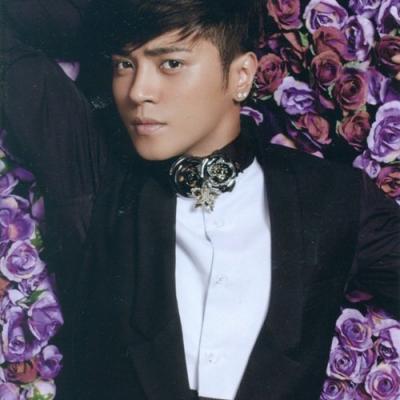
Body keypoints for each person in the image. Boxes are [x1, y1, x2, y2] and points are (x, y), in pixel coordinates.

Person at [1, 0, 400, 399]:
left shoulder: (334, 196)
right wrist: (122, 14)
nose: (137, 91)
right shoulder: (92, 171)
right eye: (124, 64)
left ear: (241, 76)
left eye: (170, 64)